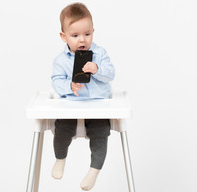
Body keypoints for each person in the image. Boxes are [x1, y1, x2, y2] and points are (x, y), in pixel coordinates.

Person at [51, 2, 115, 191]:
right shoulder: (60, 61)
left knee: (101, 133)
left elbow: (111, 74)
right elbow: (56, 82)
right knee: (62, 127)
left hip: (97, 104)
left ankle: (94, 170)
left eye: (87, 34)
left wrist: (97, 69)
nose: (82, 40)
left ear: (93, 32)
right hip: (72, 104)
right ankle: (60, 159)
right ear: (64, 37)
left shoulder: (100, 53)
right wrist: (69, 86)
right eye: (75, 35)